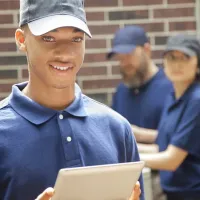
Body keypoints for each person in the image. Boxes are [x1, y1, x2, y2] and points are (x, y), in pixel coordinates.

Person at [0, 0, 144, 200]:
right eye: (49, 38)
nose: (65, 53)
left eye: (76, 39)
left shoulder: (117, 129)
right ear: (21, 39)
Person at [107, 25, 172, 200]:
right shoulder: (121, 91)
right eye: (119, 58)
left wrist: (136, 135)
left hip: (164, 183)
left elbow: (177, 142)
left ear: (147, 49)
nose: (124, 63)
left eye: (128, 55)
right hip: (127, 181)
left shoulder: (171, 87)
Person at [140, 34, 200, 200]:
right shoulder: (174, 95)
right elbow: (163, 144)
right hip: (175, 193)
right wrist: (127, 143)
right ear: (164, 62)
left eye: (185, 58)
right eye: (172, 58)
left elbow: (171, 160)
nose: (177, 64)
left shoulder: (196, 100)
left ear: (197, 62)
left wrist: (127, 159)